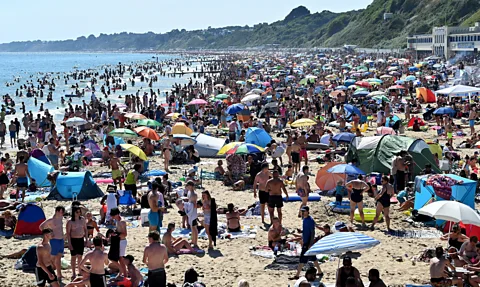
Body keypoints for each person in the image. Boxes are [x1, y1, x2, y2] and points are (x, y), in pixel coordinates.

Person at [291, 206, 323, 280]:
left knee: (302, 259)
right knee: (313, 258)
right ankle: (320, 271)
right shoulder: (304, 219)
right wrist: (301, 231)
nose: (303, 212)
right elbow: (306, 230)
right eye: (302, 211)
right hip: (306, 242)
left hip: (308, 243)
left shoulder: (310, 220)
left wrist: (310, 244)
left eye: (304, 211)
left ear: (308, 211)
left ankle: (297, 275)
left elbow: (312, 233)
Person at [39, 206, 65, 280]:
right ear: (56, 211)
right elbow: (41, 227)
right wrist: (48, 234)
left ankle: (59, 275)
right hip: (54, 240)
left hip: (61, 240)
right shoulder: (51, 220)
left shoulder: (60, 218)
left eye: (63, 212)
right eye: (61, 211)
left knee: (59, 258)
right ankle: (49, 273)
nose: (62, 213)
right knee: (51, 258)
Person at [66, 206, 87, 280]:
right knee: (73, 257)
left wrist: (86, 240)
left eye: (79, 212)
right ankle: (73, 272)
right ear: (73, 212)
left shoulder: (83, 219)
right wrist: (69, 243)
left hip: (81, 239)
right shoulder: (70, 221)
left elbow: (85, 230)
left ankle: (80, 271)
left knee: (80, 256)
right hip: (73, 240)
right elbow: (68, 233)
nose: (79, 213)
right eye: (77, 212)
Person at [109, 208, 128, 278]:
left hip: (122, 241)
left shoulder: (122, 222)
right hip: (118, 241)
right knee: (117, 258)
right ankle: (121, 272)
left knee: (121, 259)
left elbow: (125, 234)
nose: (112, 217)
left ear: (117, 214)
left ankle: (124, 274)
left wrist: (116, 235)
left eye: (113, 216)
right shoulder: (117, 221)